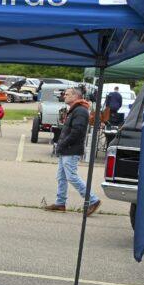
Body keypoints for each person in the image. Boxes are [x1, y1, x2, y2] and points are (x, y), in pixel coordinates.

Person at [45, 87, 101, 215]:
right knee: (61, 177)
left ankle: (93, 200)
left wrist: (63, 144)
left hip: (71, 149)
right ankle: (60, 203)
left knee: (72, 176)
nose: (64, 96)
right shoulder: (75, 109)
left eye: (68, 94)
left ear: (76, 96)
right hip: (66, 149)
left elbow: (77, 131)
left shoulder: (80, 111)